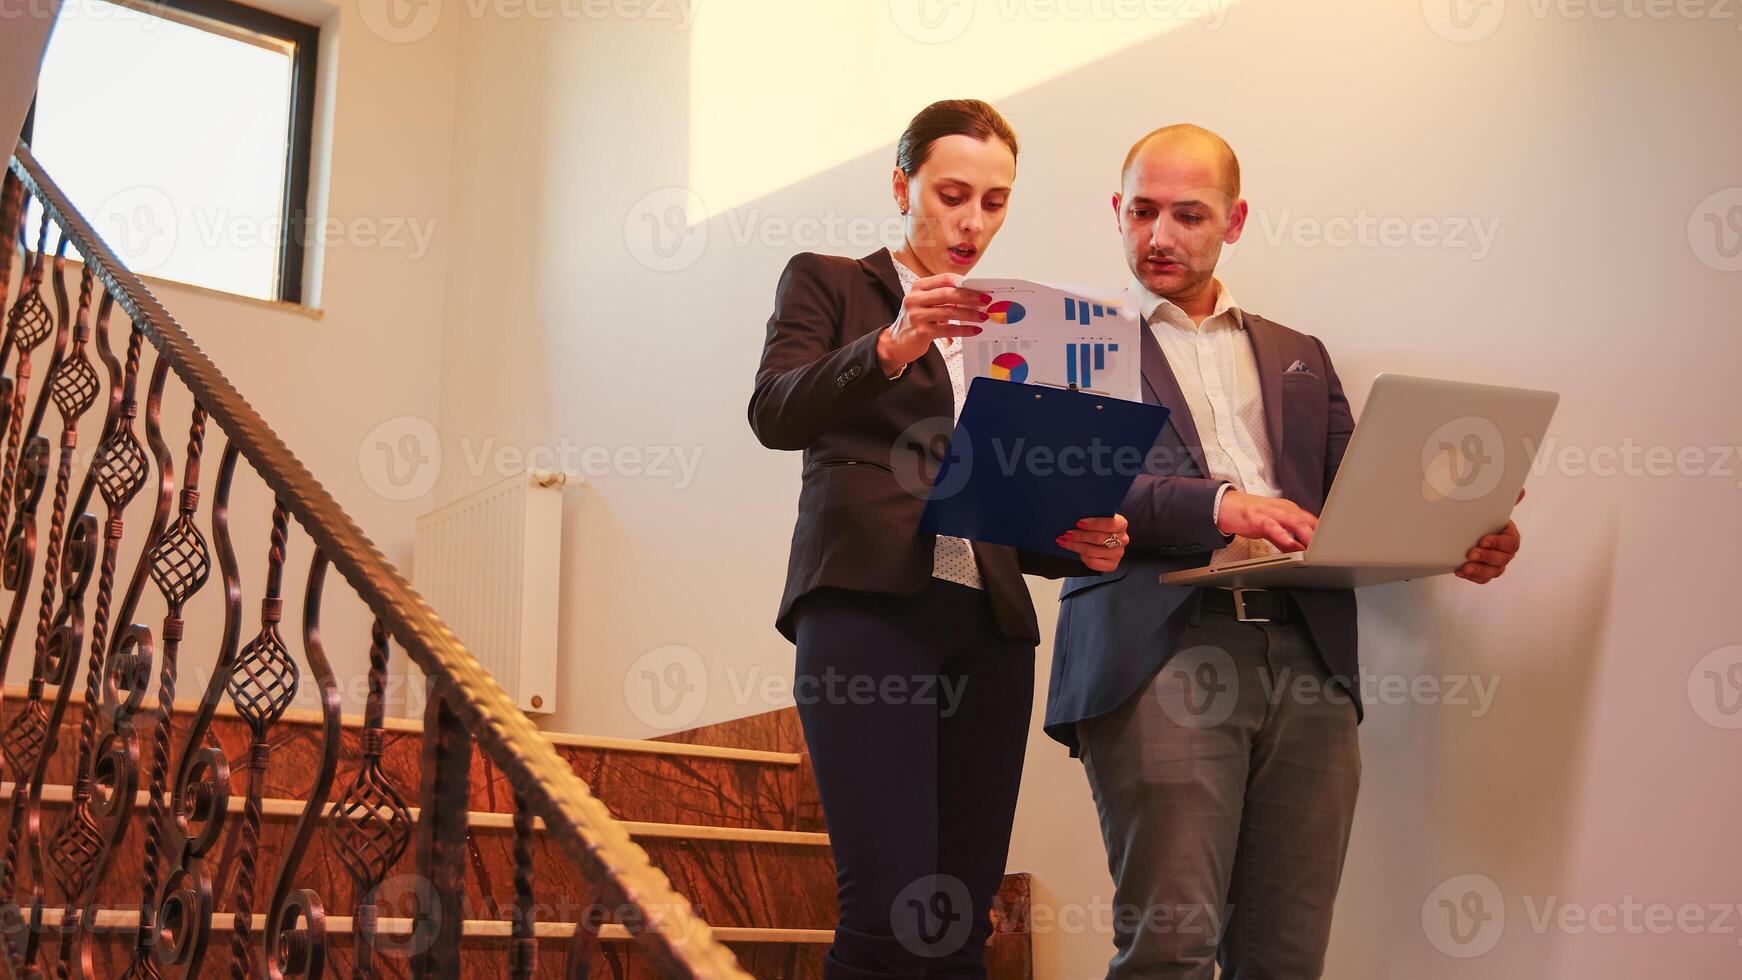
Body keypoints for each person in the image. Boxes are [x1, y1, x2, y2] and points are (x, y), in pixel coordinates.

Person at [1044, 124, 1526, 979]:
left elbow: (1354, 498)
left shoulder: (1300, 354)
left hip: (1309, 656)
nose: (1160, 235)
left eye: (1188, 214)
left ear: (1234, 222)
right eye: (1143, 211)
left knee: (1287, 957)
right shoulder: (1070, 341)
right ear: (1116, 212)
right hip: (1160, 648)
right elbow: (1072, 485)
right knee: (1170, 950)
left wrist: (1458, 529)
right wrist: (1225, 505)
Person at [748, 99, 1130, 979]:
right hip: (865, 610)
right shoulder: (830, 282)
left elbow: (1000, 502)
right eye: (953, 194)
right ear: (900, 185)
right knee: (886, 921)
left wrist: (1079, 542)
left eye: (995, 202)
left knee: (960, 927)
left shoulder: (1017, 326)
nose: (972, 221)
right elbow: (773, 411)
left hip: (988, 631)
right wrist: (891, 343)